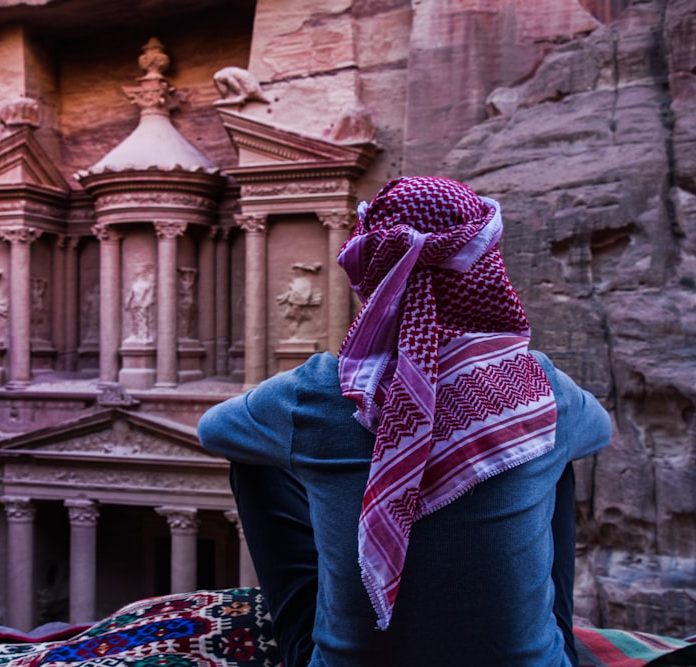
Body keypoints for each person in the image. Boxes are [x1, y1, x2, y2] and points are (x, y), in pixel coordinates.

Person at [197, 176, 612, 666]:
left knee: (256, 453)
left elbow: (213, 429)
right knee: (547, 445)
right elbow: (600, 431)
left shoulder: (315, 392)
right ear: (484, 262)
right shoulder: (540, 386)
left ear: (369, 269)